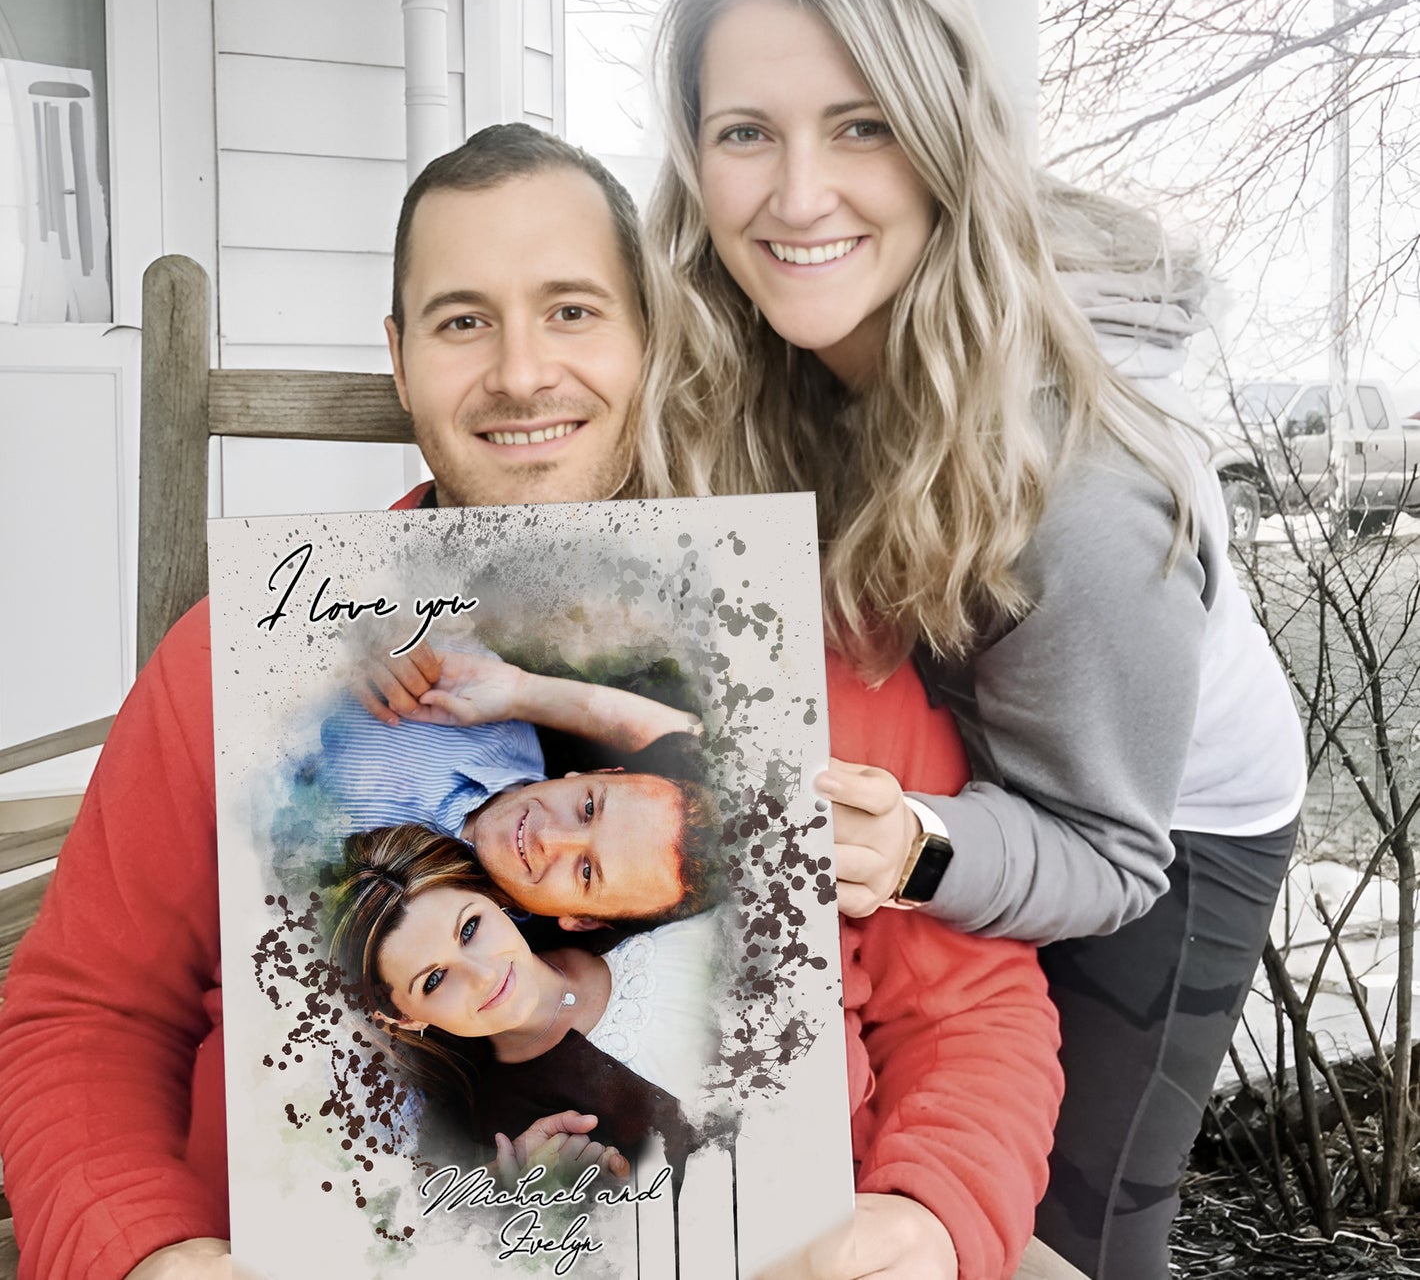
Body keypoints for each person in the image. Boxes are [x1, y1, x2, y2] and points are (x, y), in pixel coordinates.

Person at [0, 122, 1062, 1280]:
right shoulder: (252, 661)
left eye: (570, 310)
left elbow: (972, 1006)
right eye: (464, 321)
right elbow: (81, 1018)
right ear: (401, 359)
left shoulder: (804, 640)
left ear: (648, 341)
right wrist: (142, 1252)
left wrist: (934, 1214)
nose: (519, 373)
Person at [644, 0, 1305, 1280]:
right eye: (745, 133)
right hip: (935, 759)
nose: (797, 193)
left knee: (1071, 1228)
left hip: (1155, 821)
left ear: (944, 139)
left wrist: (924, 851)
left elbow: (1111, 852)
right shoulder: (733, 336)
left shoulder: (1084, 495)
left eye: (862, 123)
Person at [327, 823, 712, 1166]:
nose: (482, 975)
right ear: (403, 1017)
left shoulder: (609, 896)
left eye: (469, 929)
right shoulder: (519, 1140)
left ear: (491, 896)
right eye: (434, 980)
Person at [312, 639, 718, 931]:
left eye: (588, 872)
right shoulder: (477, 692)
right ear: (591, 776)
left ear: (581, 920)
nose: (550, 837)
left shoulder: (430, 947)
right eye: (589, 807)